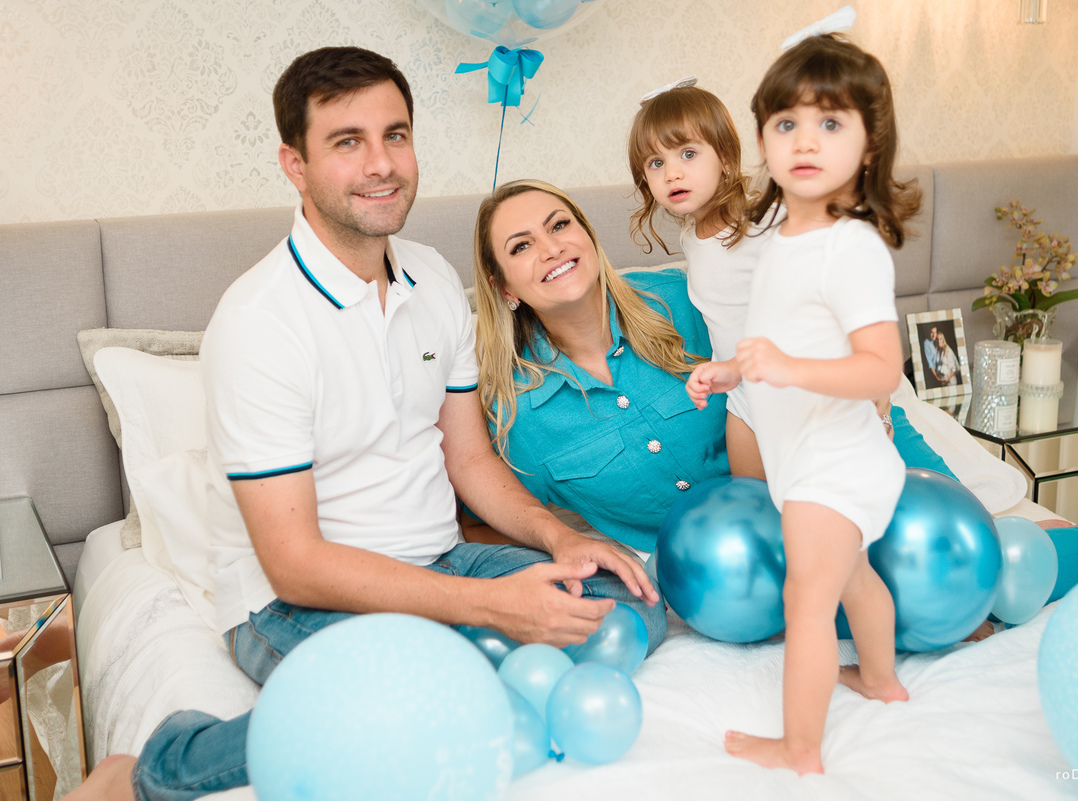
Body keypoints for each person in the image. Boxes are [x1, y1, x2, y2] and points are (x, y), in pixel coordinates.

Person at [66, 46, 662, 801]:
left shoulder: (432, 278)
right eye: (348, 142)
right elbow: (295, 562)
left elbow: (469, 461)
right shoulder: (258, 324)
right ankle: (155, 769)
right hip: (289, 602)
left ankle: (469, 652)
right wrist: (490, 607)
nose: (382, 164)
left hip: (441, 560)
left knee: (628, 601)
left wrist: (560, 538)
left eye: (396, 135)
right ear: (296, 164)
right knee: (419, 700)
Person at [685, 28, 922, 775]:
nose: (806, 141)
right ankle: (880, 679)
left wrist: (788, 368)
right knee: (854, 577)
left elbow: (881, 369)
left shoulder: (850, 247)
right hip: (809, 459)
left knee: (807, 602)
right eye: (786, 123)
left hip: (835, 461)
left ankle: (800, 748)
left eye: (831, 123)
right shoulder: (783, 240)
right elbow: (777, 339)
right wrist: (734, 370)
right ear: (762, 139)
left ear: (870, 146)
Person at [469, 178, 728, 555]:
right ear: (505, 289)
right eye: (521, 246)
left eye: (559, 225)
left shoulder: (687, 299)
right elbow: (480, 527)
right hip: (671, 572)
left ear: (588, 235)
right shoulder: (515, 412)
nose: (552, 248)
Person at [627, 81, 771, 479]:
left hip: (795, 386)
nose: (672, 173)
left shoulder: (761, 225)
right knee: (751, 501)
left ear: (725, 157)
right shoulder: (691, 236)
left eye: (688, 154)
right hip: (743, 397)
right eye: (656, 163)